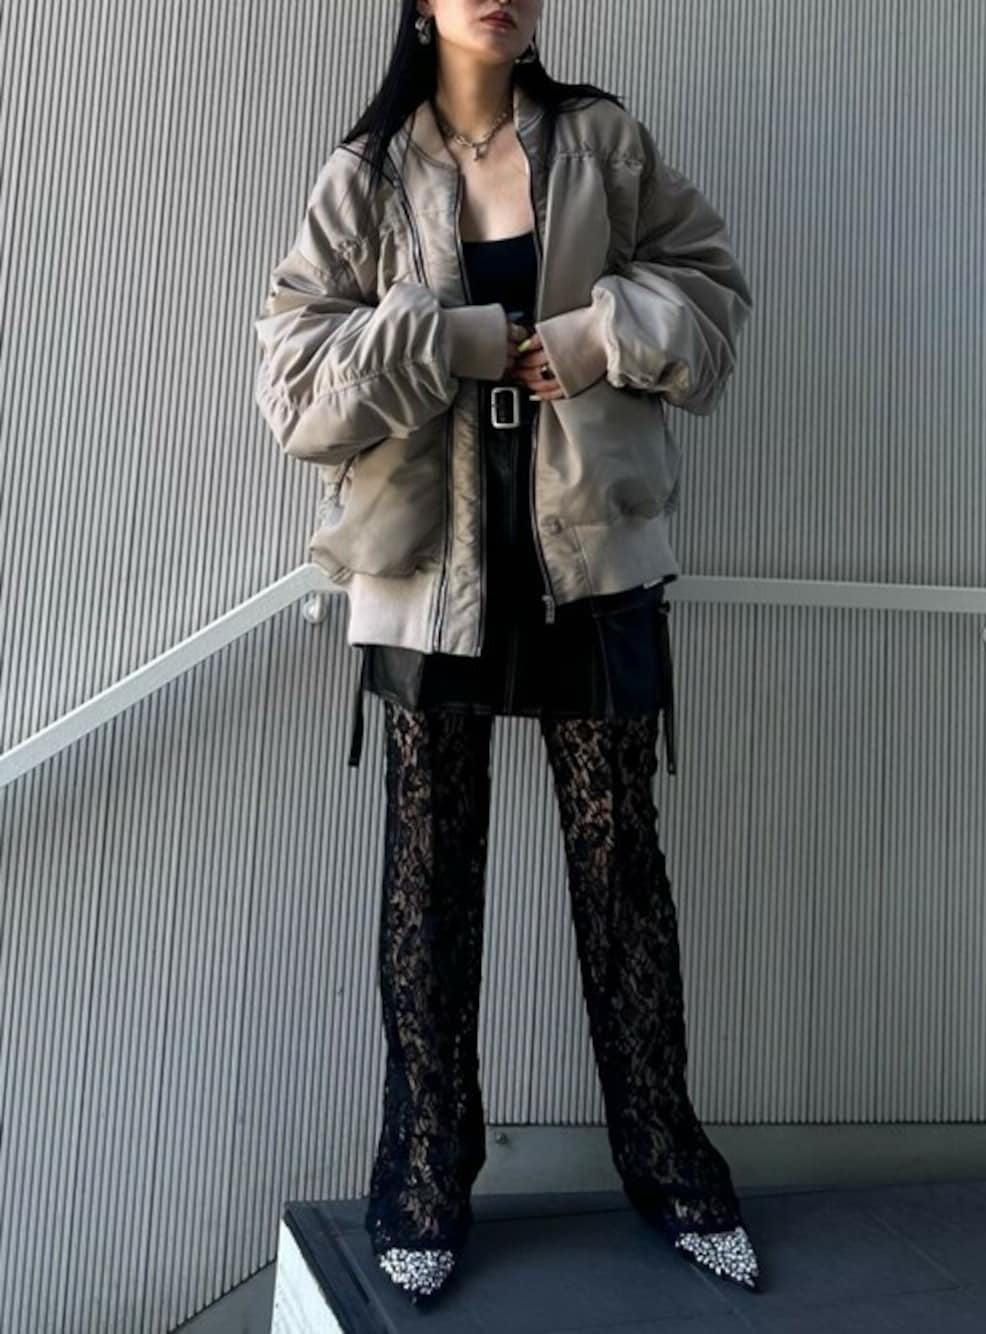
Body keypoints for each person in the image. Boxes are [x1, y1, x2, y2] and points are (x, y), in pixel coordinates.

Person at [253, 0, 757, 1307]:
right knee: (430, 873)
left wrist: (593, 338)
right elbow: (294, 389)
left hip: (591, 562)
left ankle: (670, 1161)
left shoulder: (602, 142)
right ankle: (426, 1170)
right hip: (431, 572)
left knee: (622, 867)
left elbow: (712, 293)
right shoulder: (365, 175)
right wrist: (448, 341)